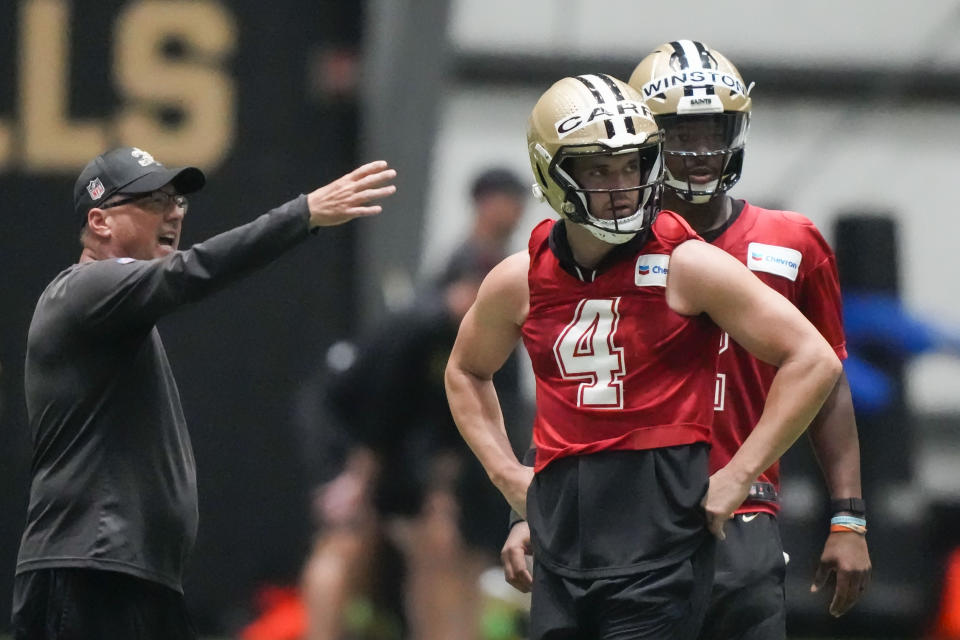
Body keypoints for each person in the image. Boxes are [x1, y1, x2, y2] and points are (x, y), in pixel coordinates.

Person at [445, 73, 841, 640]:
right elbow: (464, 370)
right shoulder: (520, 278)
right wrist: (508, 476)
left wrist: (738, 473)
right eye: (600, 169)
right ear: (553, 172)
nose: (622, 185)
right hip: (564, 533)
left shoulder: (687, 264)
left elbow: (814, 360)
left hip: (659, 531)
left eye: (632, 165)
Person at [11, 146, 397, 640]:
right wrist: (303, 214)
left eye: (177, 201)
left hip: (129, 573)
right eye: (152, 201)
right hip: (91, 571)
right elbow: (193, 271)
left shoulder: (117, 310)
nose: (173, 212)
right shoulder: (84, 290)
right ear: (100, 221)